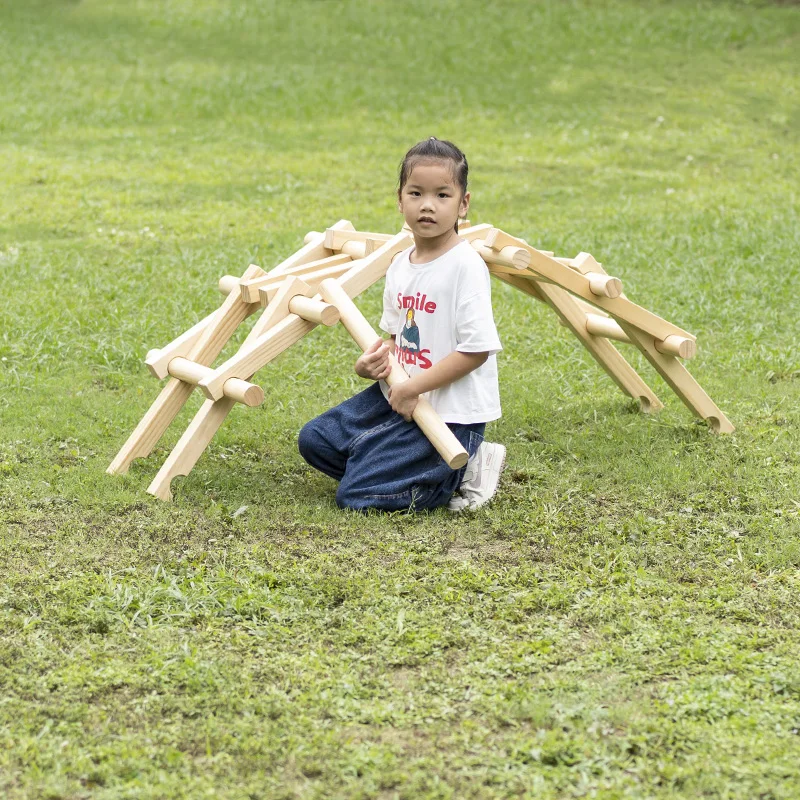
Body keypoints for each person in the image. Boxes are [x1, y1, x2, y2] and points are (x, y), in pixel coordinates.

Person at [298, 137, 505, 512]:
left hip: (450, 416)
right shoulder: (399, 266)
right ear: (400, 199)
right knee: (315, 439)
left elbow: (475, 351)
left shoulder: (465, 266)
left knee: (355, 496)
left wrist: (414, 389)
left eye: (442, 195)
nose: (428, 205)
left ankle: (465, 470)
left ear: (464, 203)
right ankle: (388, 462)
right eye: (416, 193)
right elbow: (396, 341)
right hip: (400, 395)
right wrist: (371, 365)